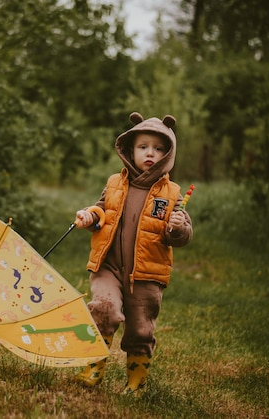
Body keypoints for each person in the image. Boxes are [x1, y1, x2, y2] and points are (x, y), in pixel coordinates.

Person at [73, 112, 193, 396]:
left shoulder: (172, 193)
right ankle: (93, 366)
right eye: (143, 147)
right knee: (103, 308)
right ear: (130, 150)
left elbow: (181, 236)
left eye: (159, 148)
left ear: (168, 154)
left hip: (147, 273)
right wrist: (90, 216)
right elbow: (102, 209)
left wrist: (177, 228)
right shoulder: (115, 182)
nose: (150, 153)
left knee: (141, 327)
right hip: (109, 266)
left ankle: (136, 379)